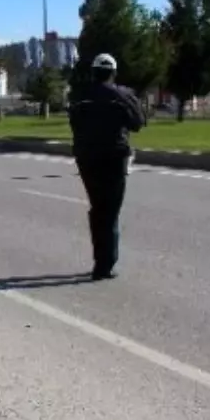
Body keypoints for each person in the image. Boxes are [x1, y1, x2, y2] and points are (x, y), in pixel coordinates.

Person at [67, 53, 146, 280]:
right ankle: (105, 264)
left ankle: (100, 261)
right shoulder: (123, 95)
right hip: (113, 158)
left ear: (93, 72)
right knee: (109, 212)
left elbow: (74, 123)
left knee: (97, 208)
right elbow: (138, 123)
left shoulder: (79, 96)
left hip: (87, 158)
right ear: (113, 73)